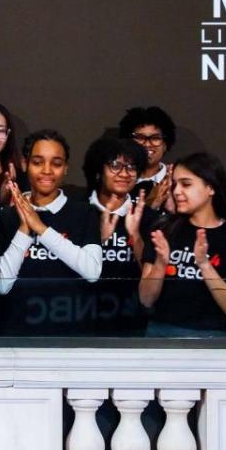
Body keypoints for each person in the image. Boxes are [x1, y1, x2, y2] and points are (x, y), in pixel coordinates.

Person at [0, 130, 102, 335]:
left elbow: (92, 272)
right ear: (25, 164)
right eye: (38, 162)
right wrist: (25, 228)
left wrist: (40, 228)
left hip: (71, 334)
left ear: (66, 168)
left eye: (56, 163)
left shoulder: (84, 212)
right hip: (17, 334)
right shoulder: (4, 217)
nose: (47, 170)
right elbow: (1, 285)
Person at [139, 152, 226, 335]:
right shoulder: (164, 228)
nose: (177, 191)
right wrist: (161, 263)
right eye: (175, 185)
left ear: (211, 188)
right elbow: (145, 299)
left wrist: (204, 264)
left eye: (186, 184)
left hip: (213, 338)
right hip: (161, 333)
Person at [83, 135, 150, 334]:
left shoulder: (148, 216)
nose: (124, 173)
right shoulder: (78, 211)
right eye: (115, 165)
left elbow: (153, 278)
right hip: (81, 316)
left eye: (131, 167)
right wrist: (100, 239)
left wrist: (136, 236)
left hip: (132, 322)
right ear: (99, 171)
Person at [118, 105, 177, 208]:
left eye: (155, 138)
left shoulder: (177, 182)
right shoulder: (118, 181)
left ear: (166, 145)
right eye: (140, 137)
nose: (147, 144)